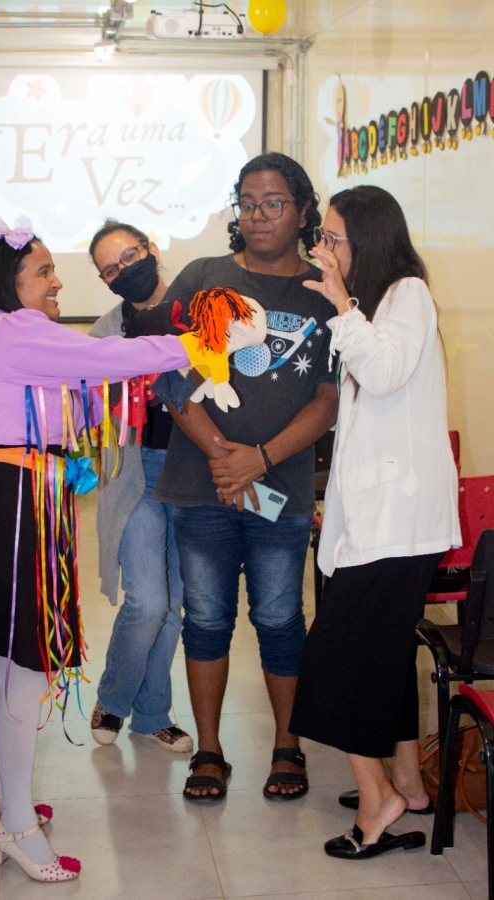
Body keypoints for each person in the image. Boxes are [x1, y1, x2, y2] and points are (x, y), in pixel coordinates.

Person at [0, 220, 245, 883]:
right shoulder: (15, 331)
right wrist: (200, 341)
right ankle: (16, 826)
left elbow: (81, 405)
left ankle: (11, 810)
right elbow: (111, 360)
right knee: (22, 667)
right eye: (43, 272)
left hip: (16, 499)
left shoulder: (6, 337)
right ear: (8, 282)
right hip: (7, 503)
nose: (57, 282)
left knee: (16, 668)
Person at [154, 152, 339, 801]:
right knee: (205, 618)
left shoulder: (323, 290)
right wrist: (221, 455)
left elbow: (328, 397)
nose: (259, 215)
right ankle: (210, 751)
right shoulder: (203, 276)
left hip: (279, 490)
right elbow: (170, 375)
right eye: (248, 203)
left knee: (281, 617)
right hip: (200, 486)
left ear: (303, 210)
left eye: (274, 203)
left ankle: (287, 745)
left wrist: (257, 459)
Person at [289, 185, 461, 858]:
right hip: (378, 518)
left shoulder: (406, 294)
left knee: (335, 661)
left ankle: (377, 798)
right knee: (385, 658)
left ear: (368, 239)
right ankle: (409, 785)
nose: (323, 250)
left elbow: (384, 374)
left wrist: (340, 304)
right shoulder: (375, 306)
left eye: (331, 238)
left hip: (398, 521)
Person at [87, 219, 193, 752]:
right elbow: (93, 416)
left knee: (174, 607)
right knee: (148, 601)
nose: (123, 271)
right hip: (137, 475)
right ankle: (113, 698)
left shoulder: (196, 311)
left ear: (151, 248)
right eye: (110, 269)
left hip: (193, 476)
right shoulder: (105, 334)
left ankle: (152, 715)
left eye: (128, 256)